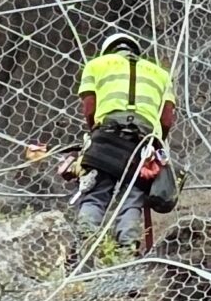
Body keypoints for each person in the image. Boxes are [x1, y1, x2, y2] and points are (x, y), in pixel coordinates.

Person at [60, 29, 176, 251]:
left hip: (106, 136)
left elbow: (90, 107)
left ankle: (86, 246)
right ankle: (127, 250)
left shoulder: (97, 65)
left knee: (95, 195)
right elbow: (167, 117)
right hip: (142, 144)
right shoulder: (161, 74)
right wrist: (155, 144)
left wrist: (95, 135)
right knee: (132, 199)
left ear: (109, 51)